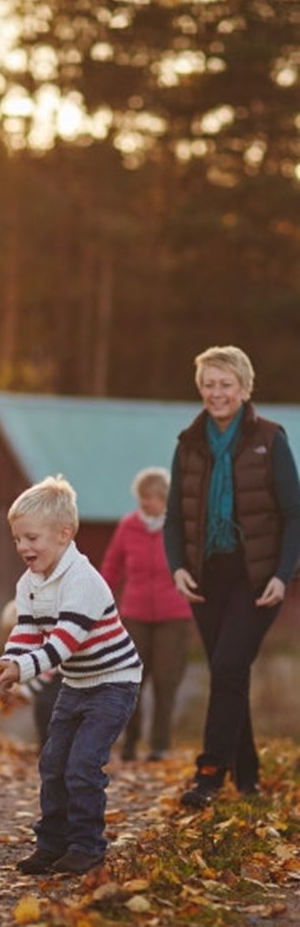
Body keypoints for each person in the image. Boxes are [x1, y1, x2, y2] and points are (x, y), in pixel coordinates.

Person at [0, 476, 142, 875]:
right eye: (18, 539)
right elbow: (26, 633)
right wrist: (6, 665)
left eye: (32, 538)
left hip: (113, 682)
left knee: (83, 764)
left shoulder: (83, 581)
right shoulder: (30, 584)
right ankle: (51, 843)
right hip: (76, 683)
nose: (23, 547)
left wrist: (22, 669)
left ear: (64, 534)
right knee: (53, 762)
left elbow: (61, 644)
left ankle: (87, 845)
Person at [164, 346, 300, 808]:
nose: (216, 393)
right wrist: (178, 566)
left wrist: (283, 575)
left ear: (243, 388)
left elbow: (294, 514)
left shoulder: (270, 438)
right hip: (205, 578)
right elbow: (172, 520)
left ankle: (208, 775)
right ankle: (249, 777)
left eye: (225, 384)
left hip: (257, 576)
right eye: (209, 384)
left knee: (225, 667)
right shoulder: (189, 443)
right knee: (231, 672)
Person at [100, 467, 193, 762]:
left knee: (167, 681)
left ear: (165, 499)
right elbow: (112, 566)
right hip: (134, 615)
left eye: (151, 498)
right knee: (131, 680)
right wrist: (99, 602)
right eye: (142, 497)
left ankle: (159, 746)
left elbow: (197, 567)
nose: (145, 503)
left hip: (174, 616)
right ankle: (129, 743)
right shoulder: (128, 526)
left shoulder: (180, 527)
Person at [0, 598, 61, 749]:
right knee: (42, 706)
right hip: (53, 678)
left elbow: (49, 670)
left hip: (62, 675)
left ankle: (50, 748)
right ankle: (45, 746)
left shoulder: (48, 638)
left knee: (47, 706)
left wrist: (26, 692)